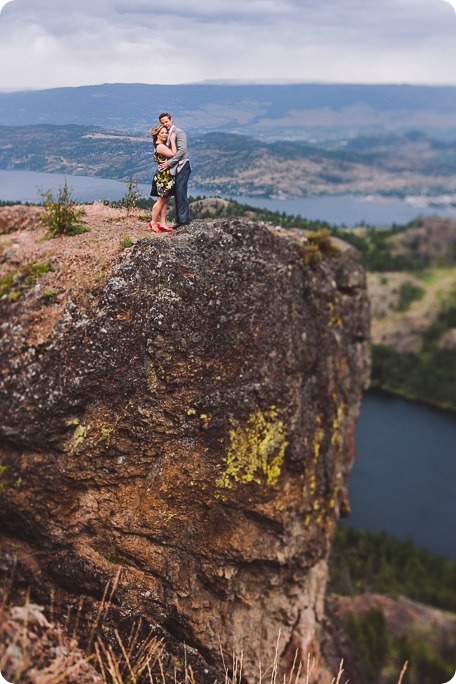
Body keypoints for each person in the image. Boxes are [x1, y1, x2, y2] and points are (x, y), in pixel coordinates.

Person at [157, 112, 191, 229]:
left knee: (181, 193)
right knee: (177, 194)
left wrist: (168, 164)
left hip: (182, 166)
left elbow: (182, 151)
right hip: (175, 169)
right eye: (162, 123)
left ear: (171, 120)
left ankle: (184, 222)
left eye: (166, 121)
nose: (165, 124)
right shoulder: (168, 134)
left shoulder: (179, 132)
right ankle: (179, 221)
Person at [148, 124, 177, 233]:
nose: (165, 135)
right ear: (157, 135)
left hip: (166, 174)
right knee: (161, 200)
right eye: (162, 133)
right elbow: (173, 154)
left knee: (166, 199)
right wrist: (173, 140)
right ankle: (153, 222)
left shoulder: (159, 145)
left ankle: (163, 223)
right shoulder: (160, 146)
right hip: (163, 176)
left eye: (166, 132)